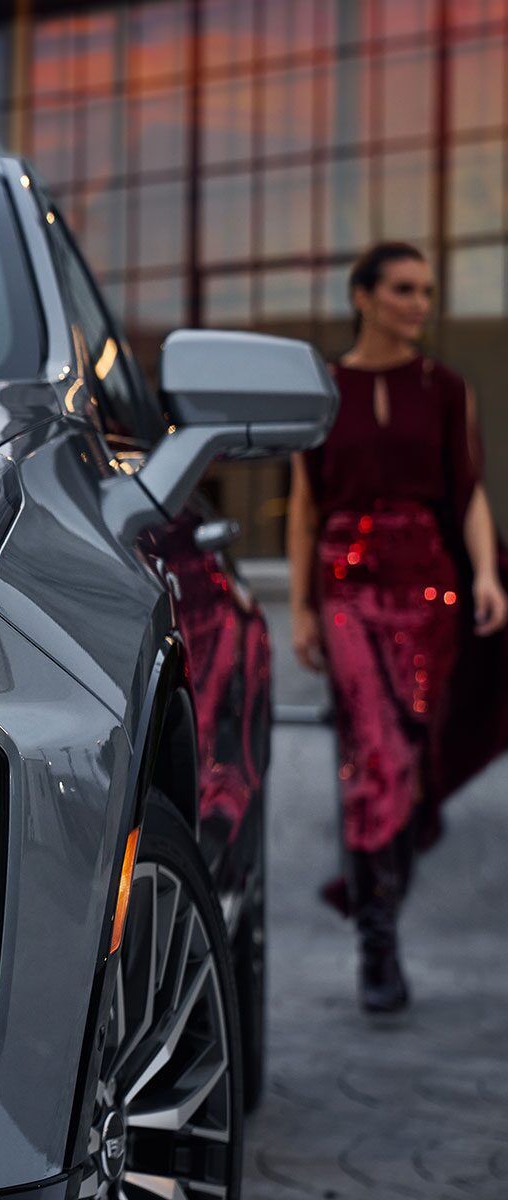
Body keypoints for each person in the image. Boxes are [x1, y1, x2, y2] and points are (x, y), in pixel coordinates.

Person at [286, 241, 508, 1014]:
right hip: (348, 584)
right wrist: (305, 607)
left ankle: (379, 907)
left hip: (429, 587)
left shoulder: (446, 389)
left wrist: (483, 573)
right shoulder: (324, 391)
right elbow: (307, 506)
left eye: (428, 290)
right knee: (373, 751)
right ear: (364, 295)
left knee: (410, 759)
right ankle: (377, 948)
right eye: (405, 289)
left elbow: (470, 493)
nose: (420, 303)